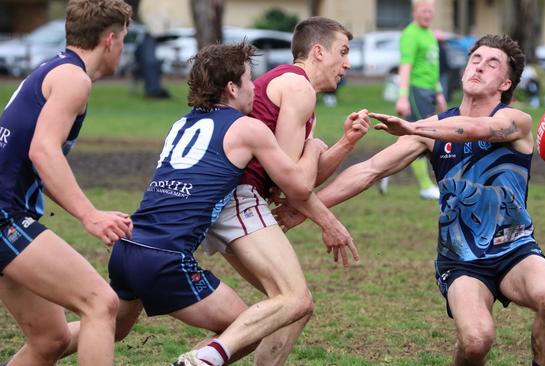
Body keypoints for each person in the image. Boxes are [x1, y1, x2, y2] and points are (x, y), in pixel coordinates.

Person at [276, 34, 545, 366]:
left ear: (505, 83)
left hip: (515, 250)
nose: (479, 66)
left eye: (492, 63)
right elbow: (369, 171)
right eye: (475, 59)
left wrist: (414, 127)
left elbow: (477, 129)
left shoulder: (515, 122)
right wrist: (304, 208)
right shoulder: (430, 130)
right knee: (475, 342)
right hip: (462, 261)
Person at [60, 41, 349, 366]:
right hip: (166, 258)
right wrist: (313, 149)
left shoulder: (181, 124)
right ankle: (200, 361)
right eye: (249, 80)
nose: (255, 88)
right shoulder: (248, 128)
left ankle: (41, 347)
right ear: (231, 87)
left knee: (108, 328)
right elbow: (296, 186)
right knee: (243, 327)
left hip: (128, 246)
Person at [189, 16, 369, 366]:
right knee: (294, 301)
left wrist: (346, 142)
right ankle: (204, 359)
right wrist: (328, 220)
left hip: (224, 199)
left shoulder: (292, 87)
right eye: (342, 52)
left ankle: (200, 358)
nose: (347, 63)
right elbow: (294, 183)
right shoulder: (297, 87)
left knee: (287, 306)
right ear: (318, 51)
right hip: (236, 198)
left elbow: (296, 180)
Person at [0, 1, 133, 365]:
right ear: (109, 40)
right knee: (100, 303)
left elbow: (38, 158)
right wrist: (89, 215)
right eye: (124, 39)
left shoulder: (56, 69)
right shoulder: (74, 79)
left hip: (9, 213)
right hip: (4, 216)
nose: (123, 47)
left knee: (50, 340)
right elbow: (43, 152)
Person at [379, 0, 447, 200]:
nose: (428, 14)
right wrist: (402, 97)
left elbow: (432, 69)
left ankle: (383, 168)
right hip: (415, 92)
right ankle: (425, 186)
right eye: (424, 10)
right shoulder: (410, 34)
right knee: (421, 135)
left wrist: (439, 92)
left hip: (428, 92)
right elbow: (405, 67)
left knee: (412, 137)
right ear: (414, 12)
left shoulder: (429, 35)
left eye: (430, 11)